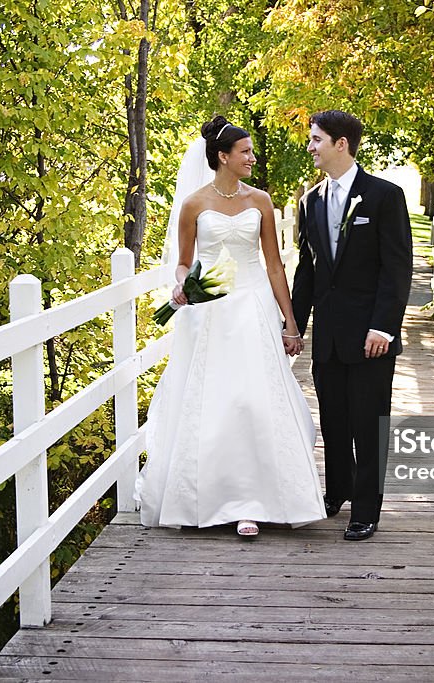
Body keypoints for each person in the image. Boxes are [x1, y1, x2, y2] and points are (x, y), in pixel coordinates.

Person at [135, 116, 326, 537]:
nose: (252, 158)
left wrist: (290, 323)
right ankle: (201, 499)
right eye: (245, 152)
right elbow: (183, 262)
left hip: (253, 305)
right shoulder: (193, 204)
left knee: (254, 399)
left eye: (251, 152)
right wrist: (184, 284)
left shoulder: (260, 201)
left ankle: (254, 503)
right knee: (213, 400)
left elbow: (274, 266)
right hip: (212, 311)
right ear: (223, 157)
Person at [291, 110, 413, 541]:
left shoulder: (384, 196)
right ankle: (337, 491)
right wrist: (295, 325)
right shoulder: (310, 201)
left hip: (370, 335)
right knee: (334, 421)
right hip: (328, 334)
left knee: (368, 423)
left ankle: (366, 510)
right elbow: (307, 270)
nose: (310, 147)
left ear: (341, 143)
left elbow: (397, 269)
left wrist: (383, 327)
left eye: (316, 139)